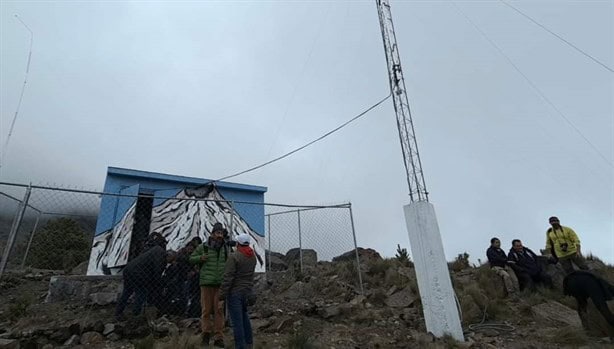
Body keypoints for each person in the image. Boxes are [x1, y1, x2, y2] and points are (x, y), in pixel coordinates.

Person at [190, 223, 230, 348]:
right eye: (217, 233)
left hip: (220, 284)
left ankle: (219, 337)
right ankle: (206, 334)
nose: (220, 235)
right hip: (206, 283)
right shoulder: (204, 247)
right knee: (206, 310)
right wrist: (200, 258)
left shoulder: (226, 249)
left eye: (221, 233)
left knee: (218, 310)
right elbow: (191, 258)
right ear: (212, 234)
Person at [115, 242, 171, 320]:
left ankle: (118, 313)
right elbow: (157, 273)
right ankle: (136, 314)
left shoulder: (154, 250)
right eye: (170, 261)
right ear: (169, 256)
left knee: (127, 292)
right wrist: (158, 284)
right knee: (141, 293)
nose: (168, 263)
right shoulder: (160, 255)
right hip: (138, 273)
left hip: (129, 269)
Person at [220, 233, 257, 349]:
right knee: (245, 318)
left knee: (237, 323)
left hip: (235, 292)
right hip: (247, 291)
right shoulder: (252, 256)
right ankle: (249, 343)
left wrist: (222, 294)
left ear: (238, 243)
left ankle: (240, 346)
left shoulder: (234, 257)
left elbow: (228, 277)